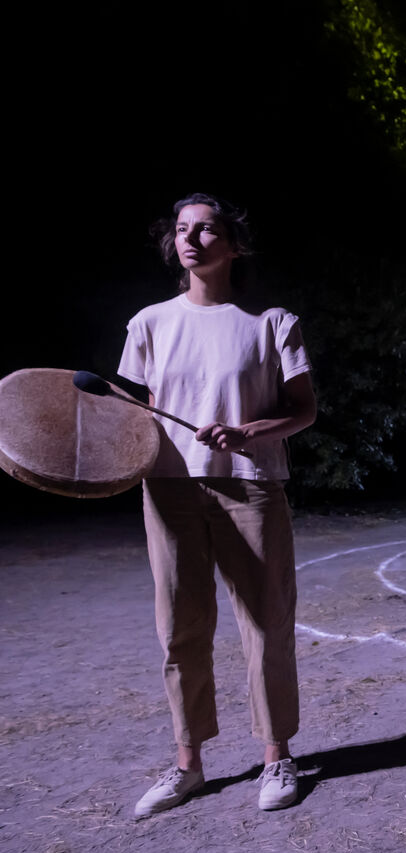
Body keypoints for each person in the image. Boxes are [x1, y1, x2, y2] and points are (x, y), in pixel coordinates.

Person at [119, 193, 317, 817]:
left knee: (265, 624)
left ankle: (276, 757)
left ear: (233, 244)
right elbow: (138, 415)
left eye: (206, 229)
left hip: (250, 485)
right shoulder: (149, 323)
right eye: (182, 229)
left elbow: (304, 410)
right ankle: (188, 765)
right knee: (180, 629)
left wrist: (248, 431)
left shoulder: (270, 322)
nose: (192, 239)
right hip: (169, 487)